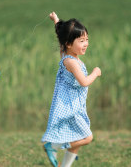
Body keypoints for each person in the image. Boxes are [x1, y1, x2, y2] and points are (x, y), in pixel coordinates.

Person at [41, 12, 101, 167]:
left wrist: (56, 21)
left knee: (79, 139)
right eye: (81, 40)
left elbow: (60, 34)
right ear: (68, 44)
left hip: (75, 106)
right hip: (71, 108)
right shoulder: (72, 62)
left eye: (87, 39)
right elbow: (84, 82)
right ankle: (52, 146)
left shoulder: (65, 53)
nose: (86, 43)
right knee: (87, 138)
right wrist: (95, 72)